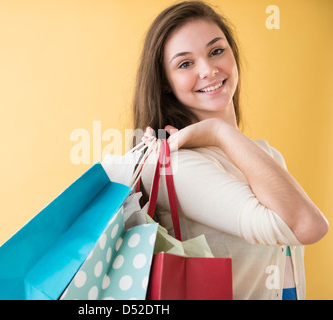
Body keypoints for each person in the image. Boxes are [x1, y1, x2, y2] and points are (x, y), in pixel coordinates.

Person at [133, 1, 329, 300]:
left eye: (216, 51)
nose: (209, 70)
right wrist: (219, 131)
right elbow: (307, 226)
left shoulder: (265, 154)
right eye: (185, 64)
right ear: (166, 84)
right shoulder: (176, 166)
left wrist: (223, 136)